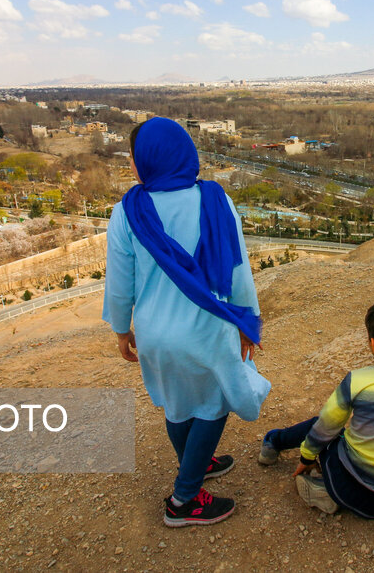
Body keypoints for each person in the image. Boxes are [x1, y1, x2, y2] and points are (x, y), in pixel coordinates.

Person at [102, 117, 270, 528]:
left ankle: (198, 460)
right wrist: (249, 322)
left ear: (148, 159)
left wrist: (122, 330)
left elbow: (120, 285)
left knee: (177, 403)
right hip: (207, 329)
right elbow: (238, 270)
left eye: (133, 155)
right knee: (215, 403)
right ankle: (184, 499)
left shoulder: (127, 212)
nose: (130, 163)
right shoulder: (215, 200)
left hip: (157, 334)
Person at [257, 301, 374, 518]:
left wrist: (307, 457)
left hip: (349, 490)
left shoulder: (358, 381)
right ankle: (327, 493)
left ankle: (273, 444)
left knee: (321, 426)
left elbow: (325, 427)